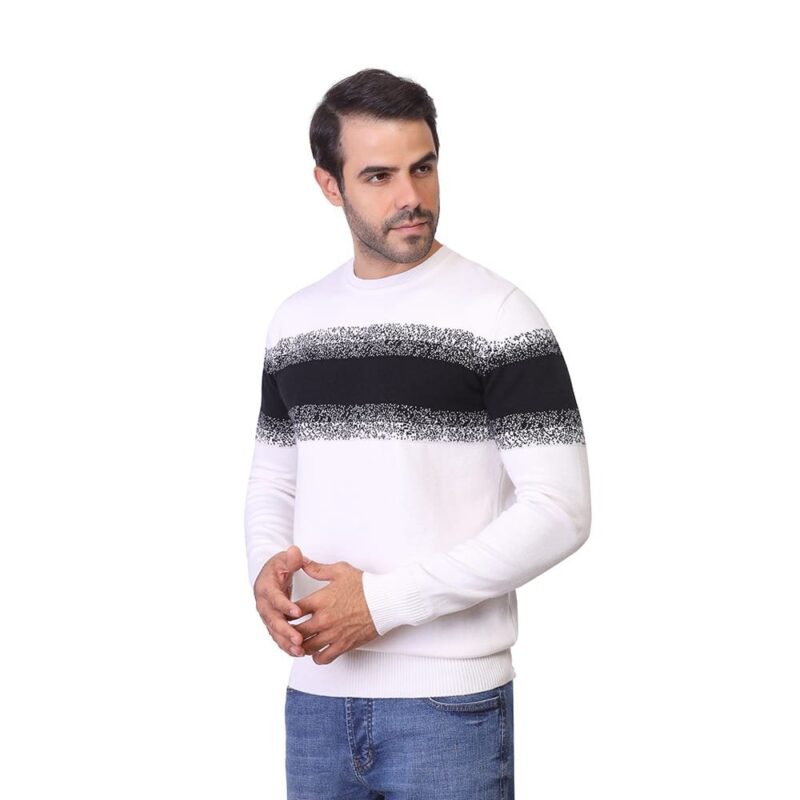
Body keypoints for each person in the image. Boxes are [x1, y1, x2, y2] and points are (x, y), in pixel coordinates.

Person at [243, 67, 592, 799]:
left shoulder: (499, 315)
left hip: (449, 707)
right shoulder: (295, 322)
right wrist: (265, 569)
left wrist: (383, 604)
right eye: (379, 176)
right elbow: (275, 479)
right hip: (315, 697)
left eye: (423, 167)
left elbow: (560, 511)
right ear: (329, 185)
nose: (411, 196)